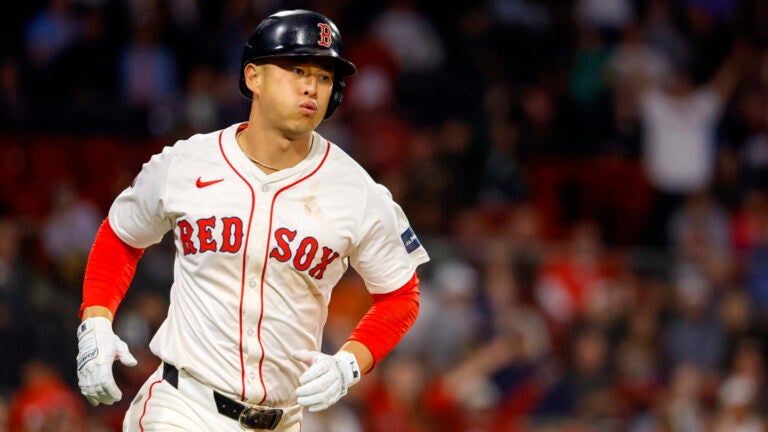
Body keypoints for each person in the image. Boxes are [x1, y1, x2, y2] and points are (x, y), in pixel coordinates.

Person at [74, 9, 429, 432]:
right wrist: (95, 321)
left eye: (324, 76)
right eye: (297, 69)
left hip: (284, 420)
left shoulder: (358, 192)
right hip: (184, 406)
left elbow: (400, 294)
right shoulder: (186, 163)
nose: (311, 87)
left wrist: (352, 362)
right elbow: (122, 236)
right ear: (254, 77)